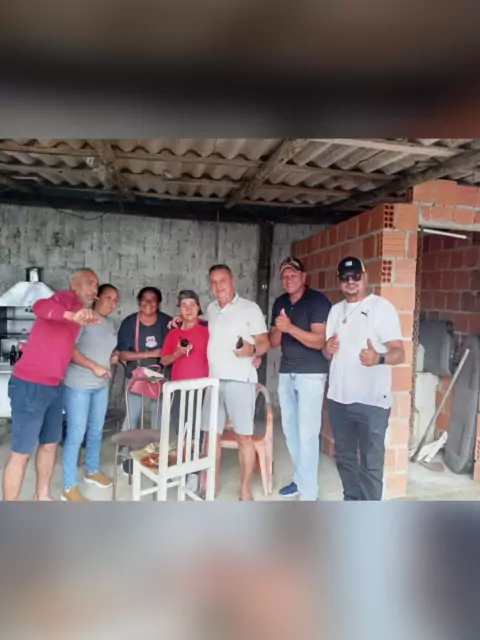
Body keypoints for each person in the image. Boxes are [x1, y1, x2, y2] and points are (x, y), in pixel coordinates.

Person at [2, 269, 100, 501]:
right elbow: (39, 307)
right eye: (89, 283)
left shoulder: (79, 313)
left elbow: (68, 348)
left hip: (54, 386)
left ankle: (42, 496)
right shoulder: (65, 298)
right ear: (74, 285)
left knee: (50, 444)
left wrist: (94, 366)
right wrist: (71, 315)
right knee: (22, 453)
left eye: (96, 285)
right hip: (30, 384)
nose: (94, 288)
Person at [323, 256, 405, 501]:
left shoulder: (382, 308)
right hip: (339, 399)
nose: (351, 281)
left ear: (364, 276)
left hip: (372, 401)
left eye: (356, 276)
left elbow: (399, 352)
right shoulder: (335, 311)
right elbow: (327, 353)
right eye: (345, 277)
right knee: (345, 459)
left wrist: (379, 358)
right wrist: (328, 347)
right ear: (339, 280)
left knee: (371, 464)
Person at [201, 264, 270, 501]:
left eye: (222, 280)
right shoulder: (211, 309)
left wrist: (252, 350)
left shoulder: (250, 308)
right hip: (214, 381)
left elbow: (264, 342)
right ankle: (211, 485)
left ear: (232, 281)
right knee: (211, 437)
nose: (218, 286)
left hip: (240, 381)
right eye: (213, 282)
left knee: (243, 437)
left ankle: (245, 488)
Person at [270, 257, 331, 501]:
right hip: (286, 372)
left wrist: (290, 328)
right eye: (285, 276)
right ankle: (300, 480)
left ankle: (309, 494)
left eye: (293, 275)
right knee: (290, 431)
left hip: (311, 374)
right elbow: (274, 342)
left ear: (304, 277)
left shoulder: (318, 301)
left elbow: (320, 341)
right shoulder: (280, 302)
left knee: (307, 434)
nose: (289, 280)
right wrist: (278, 328)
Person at [61, 284, 120, 502]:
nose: (112, 303)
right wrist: (94, 366)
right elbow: (70, 349)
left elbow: (102, 347)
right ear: (97, 298)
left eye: (116, 299)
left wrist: (113, 355)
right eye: (108, 297)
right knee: (76, 435)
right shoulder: (83, 318)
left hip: (101, 385)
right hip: (78, 384)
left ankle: (92, 470)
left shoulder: (111, 323)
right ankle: (68, 487)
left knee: (95, 430)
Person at [117, 286, 172, 475]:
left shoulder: (167, 322)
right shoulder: (129, 323)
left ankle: (155, 455)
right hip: (136, 376)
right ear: (139, 301)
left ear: (159, 303)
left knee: (158, 419)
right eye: (144, 299)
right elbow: (123, 354)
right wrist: (151, 353)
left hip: (160, 378)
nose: (148, 303)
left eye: (153, 300)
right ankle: (126, 455)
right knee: (132, 417)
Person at [161, 290, 209, 493]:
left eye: (192, 305)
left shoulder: (208, 331)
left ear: (199, 307)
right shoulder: (173, 334)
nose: (188, 309)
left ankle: (194, 474)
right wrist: (177, 353)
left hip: (201, 389)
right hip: (178, 389)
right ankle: (182, 467)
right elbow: (164, 360)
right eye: (184, 305)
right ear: (179, 309)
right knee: (181, 431)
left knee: (197, 433)